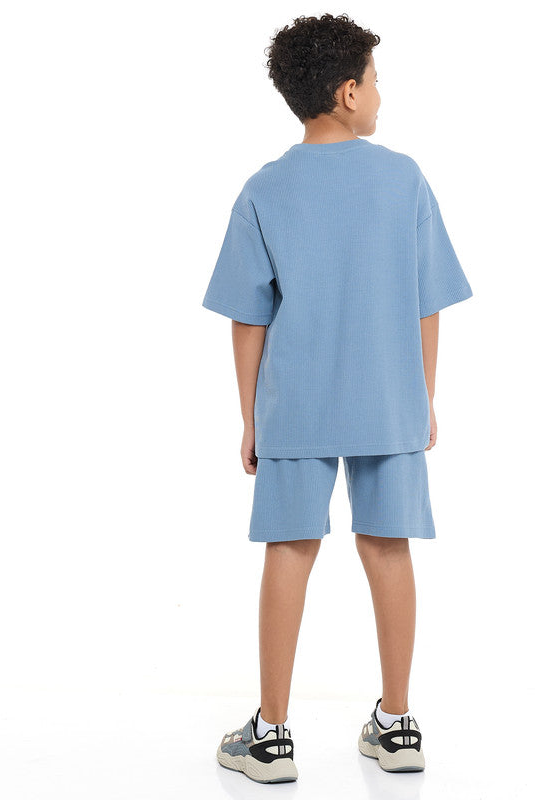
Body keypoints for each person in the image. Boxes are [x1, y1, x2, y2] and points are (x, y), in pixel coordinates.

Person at [202, 13, 473, 783]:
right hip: (389, 398)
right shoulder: (404, 178)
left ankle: (270, 736)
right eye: (376, 82)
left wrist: (250, 416)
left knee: (290, 548)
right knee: (388, 546)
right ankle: (397, 724)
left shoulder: (264, 190)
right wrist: (423, 397)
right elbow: (428, 302)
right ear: (349, 92)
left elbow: (249, 319)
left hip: (297, 402)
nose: (381, 95)